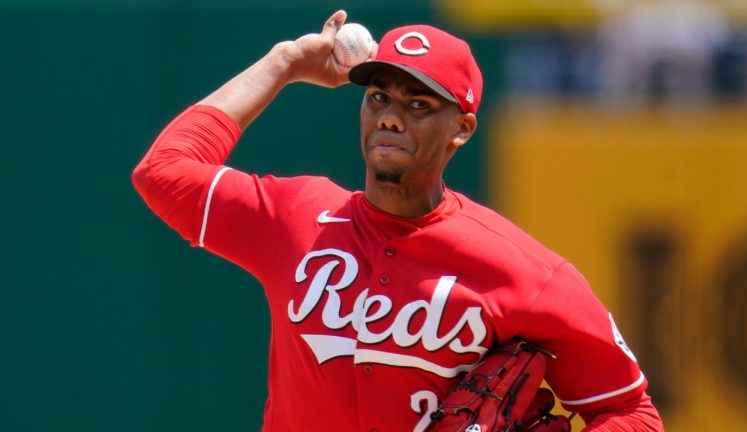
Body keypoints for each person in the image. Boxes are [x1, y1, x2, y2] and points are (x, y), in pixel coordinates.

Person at [132, 10, 664, 432]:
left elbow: (634, 414)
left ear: (462, 128)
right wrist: (285, 64)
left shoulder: (523, 273)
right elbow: (164, 172)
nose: (390, 114)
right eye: (379, 97)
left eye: (418, 103)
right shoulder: (296, 218)